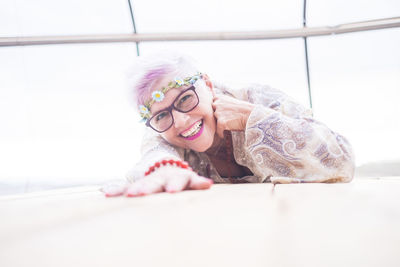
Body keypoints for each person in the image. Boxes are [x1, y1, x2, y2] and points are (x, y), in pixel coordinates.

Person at [102, 53, 355, 197]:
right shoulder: (162, 132)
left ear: (208, 85)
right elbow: (153, 157)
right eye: (161, 115)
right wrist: (163, 169)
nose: (180, 120)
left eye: (186, 98)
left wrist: (254, 118)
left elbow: (343, 159)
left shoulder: (256, 99)